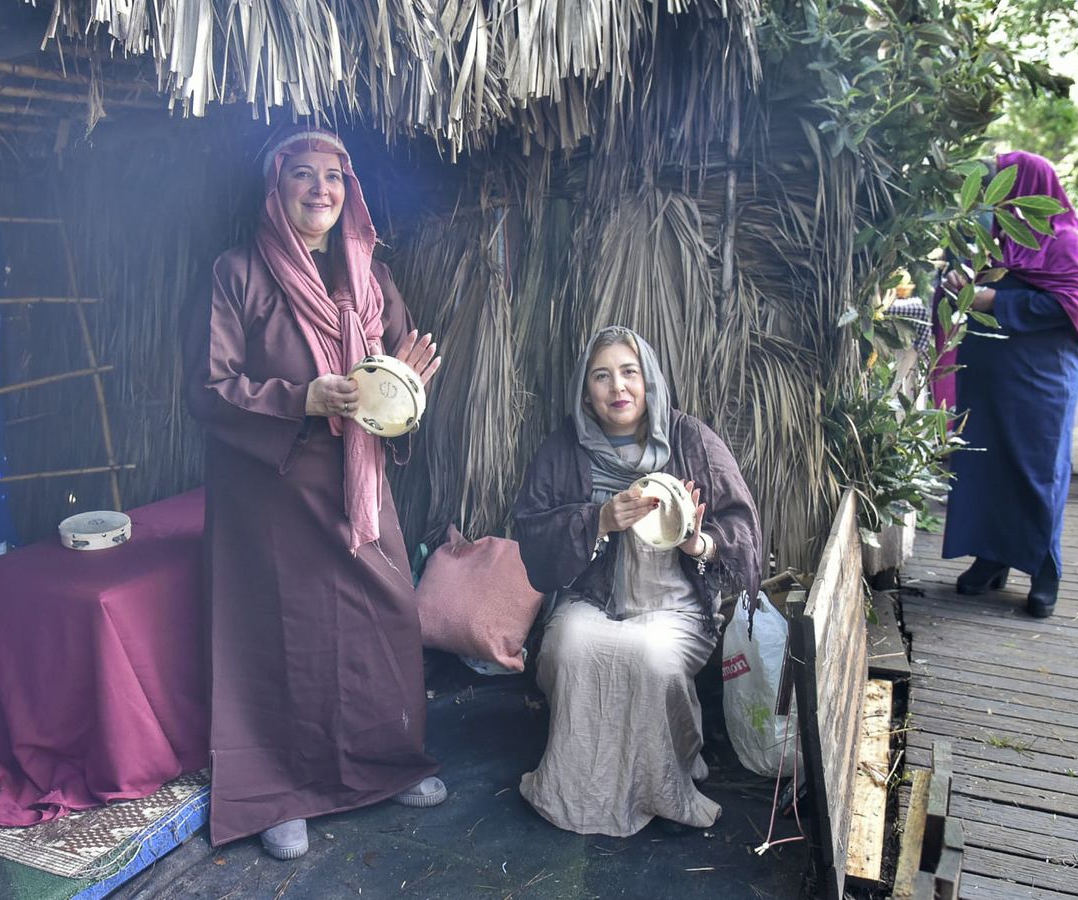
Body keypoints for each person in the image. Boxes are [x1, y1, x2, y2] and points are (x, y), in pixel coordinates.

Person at [182, 128, 447, 861]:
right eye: (304, 175)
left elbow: (394, 376)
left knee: (384, 620)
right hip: (271, 489)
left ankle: (384, 767)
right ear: (277, 188)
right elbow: (209, 389)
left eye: (333, 177)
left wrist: (406, 391)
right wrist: (301, 399)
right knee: (283, 639)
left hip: (357, 482)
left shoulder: (369, 277)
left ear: (348, 191)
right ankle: (281, 793)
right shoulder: (236, 273)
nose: (320, 190)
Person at [511, 326, 763, 837]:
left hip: (676, 608)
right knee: (570, 649)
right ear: (586, 391)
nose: (617, 387)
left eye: (629, 373)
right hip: (593, 600)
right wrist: (598, 519)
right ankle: (578, 788)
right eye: (601, 377)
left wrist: (697, 542)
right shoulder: (566, 448)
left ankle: (660, 781)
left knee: (651, 657)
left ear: (648, 382)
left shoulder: (691, 440)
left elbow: (744, 528)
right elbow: (531, 532)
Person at [942, 152, 1078, 618]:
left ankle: (1043, 569)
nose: (994, 196)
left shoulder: (1069, 242)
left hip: (1040, 377)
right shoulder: (990, 236)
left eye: (1003, 186)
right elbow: (961, 282)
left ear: (1031, 188)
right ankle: (990, 558)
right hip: (988, 373)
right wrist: (957, 281)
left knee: (1037, 471)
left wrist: (996, 301)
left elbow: (1073, 306)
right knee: (984, 465)